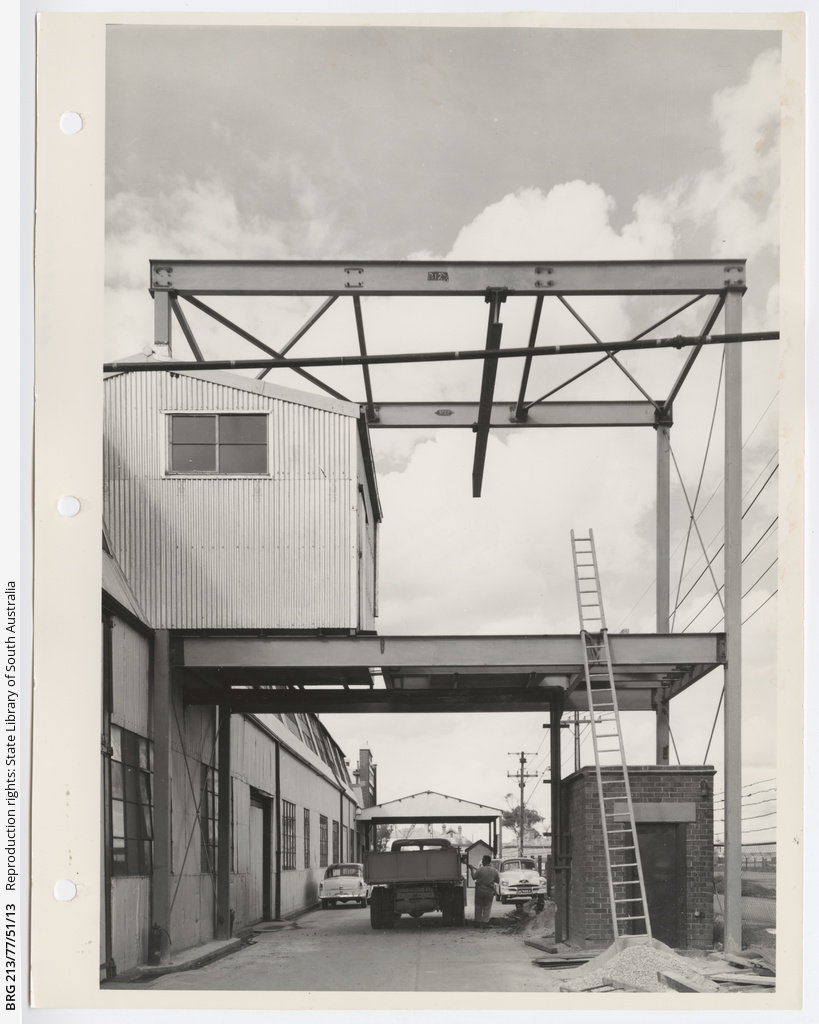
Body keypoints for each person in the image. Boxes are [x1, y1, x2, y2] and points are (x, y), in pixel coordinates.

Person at [468, 855, 500, 928]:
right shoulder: (494, 871)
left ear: (485, 861)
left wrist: (471, 869)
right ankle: (485, 923)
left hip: (479, 891)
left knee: (478, 906)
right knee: (487, 907)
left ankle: (477, 922)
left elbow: (474, 877)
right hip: (489, 891)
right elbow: (497, 881)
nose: (482, 861)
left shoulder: (480, 870)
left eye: (483, 860)